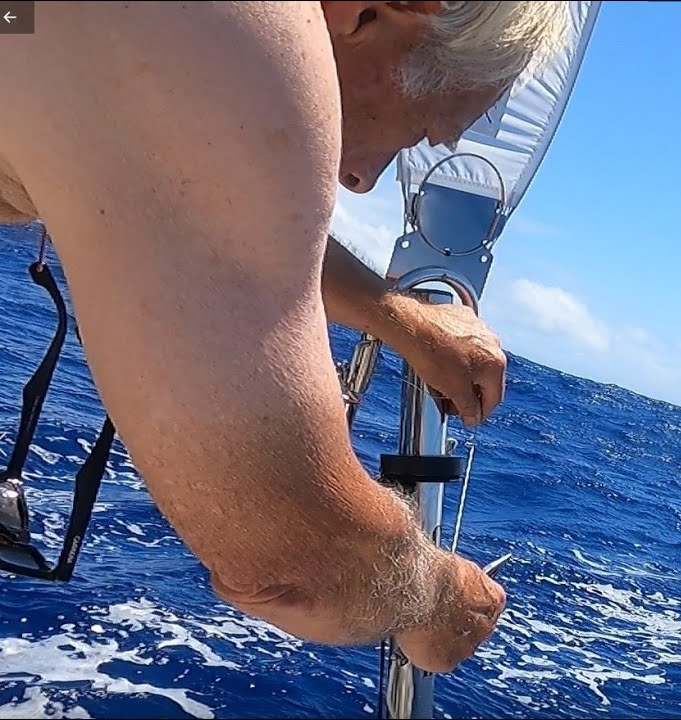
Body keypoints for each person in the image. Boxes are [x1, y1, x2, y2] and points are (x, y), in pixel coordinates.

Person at [0, 1, 571, 673]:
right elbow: (287, 560)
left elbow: (201, 199)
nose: (362, 178)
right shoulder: (243, 33)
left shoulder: (156, 43)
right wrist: (439, 599)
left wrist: (401, 316)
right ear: (370, 13)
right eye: (417, 130)